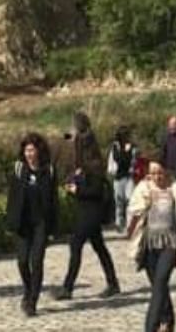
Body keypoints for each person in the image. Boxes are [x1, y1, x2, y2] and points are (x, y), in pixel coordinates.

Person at [55, 113, 121, 300]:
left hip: (92, 210)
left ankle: (67, 288)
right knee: (99, 246)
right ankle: (113, 283)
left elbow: (95, 190)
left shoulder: (94, 163)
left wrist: (77, 189)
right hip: (85, 208)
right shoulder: (84, 159)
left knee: (76, 244)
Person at [127, 158, 176, 332]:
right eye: (153, 173)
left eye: (160, 173)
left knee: (160, 282)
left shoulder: (174, 190)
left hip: (170, 244)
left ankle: (151, 326)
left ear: (166, 173)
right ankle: (168, 319)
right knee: (157, 285)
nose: (157, 177)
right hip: (150, 245)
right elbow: (134, 211)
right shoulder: (144, 190)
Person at [6, 133, 58, 317]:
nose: (29, 153)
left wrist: (53, 228)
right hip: (22, 223)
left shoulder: (49, 170)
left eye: (32, 150)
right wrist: (10, 222)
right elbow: (12, 198)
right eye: (26, 150)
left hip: (40, 224)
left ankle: (32, 301)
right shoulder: (19, 168)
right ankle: (28, 289)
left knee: (36, 262)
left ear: (39, 151)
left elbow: (53, 200)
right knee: (22, 261)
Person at [107, 125, 139, 232]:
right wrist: (125, 152)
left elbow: (133, 161)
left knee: (130, 200)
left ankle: (130, 224)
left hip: (129, 176)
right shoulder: (115, 147)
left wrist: (127, 153)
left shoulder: (133, 147)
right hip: (118, 177)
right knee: (119, 201)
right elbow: (118, 160)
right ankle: (119, 223)